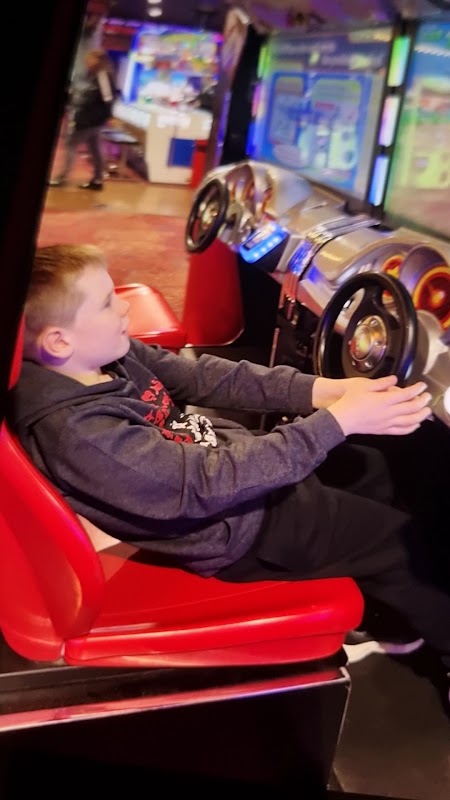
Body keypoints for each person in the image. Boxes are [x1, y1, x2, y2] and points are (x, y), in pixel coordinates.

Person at [9, 243, 450, 701]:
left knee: (372, 468)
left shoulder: (104, 358)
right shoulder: (80, 434)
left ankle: (392, 620)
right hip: (237, 531)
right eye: (106, 303)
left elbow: (202, 377)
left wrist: (323, 391)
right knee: (398, 544)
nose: (122, 307)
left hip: (235, 477)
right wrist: (336, 422)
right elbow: (205, 484)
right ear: (59, 342)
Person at [48, 49, 115, 191]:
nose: (86, 61)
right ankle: (97, 180)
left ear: (97, 60)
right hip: (91, 118)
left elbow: (108, 99)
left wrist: (105, 116)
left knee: (71, 145)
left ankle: (62, 177)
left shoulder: (102, 76)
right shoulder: (93, 75)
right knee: (95, 149)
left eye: (89, 58)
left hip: (89, 119)